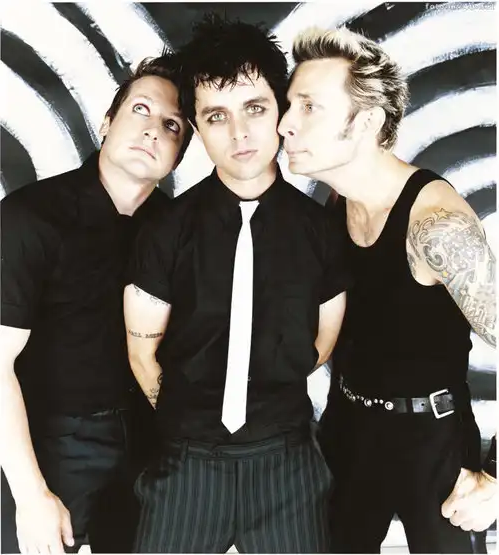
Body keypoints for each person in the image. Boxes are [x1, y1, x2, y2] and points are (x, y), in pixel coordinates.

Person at [123, 14, 350, 554]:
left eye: (255, 108)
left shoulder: (321, 230)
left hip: (288, 467)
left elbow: (321, 344)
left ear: (280, 110)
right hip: (186, 465)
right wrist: (192, 424)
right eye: (216, 116)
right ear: (197, 127)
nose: (240, 133)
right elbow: (142, 351)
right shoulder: (167, 229)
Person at [278, 26, 497, 553]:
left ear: (368, 122)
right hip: (348, 427)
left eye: (310, 107)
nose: (285, 124)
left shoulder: (436, 225)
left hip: (432, 440)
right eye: (289, 105)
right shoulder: (337, 204)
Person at [0, 52, 192, 554]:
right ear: (107, 122)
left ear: (178, 155)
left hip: (151, 449)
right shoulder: (28, 217)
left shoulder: (181, 232)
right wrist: (31, 495)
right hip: (50, 445)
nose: (153, 130)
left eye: (172, 125)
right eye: (140, 109)